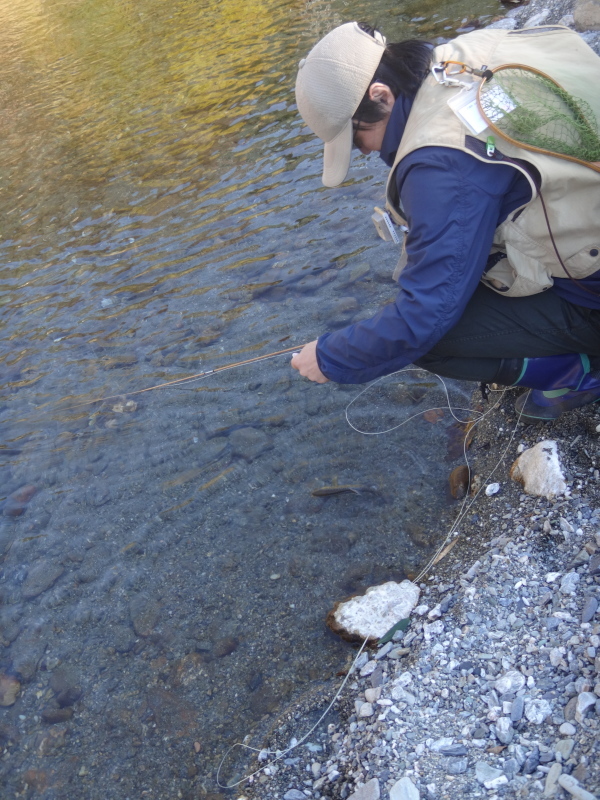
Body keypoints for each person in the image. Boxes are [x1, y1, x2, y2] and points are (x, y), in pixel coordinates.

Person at [290, 21, 600, 421]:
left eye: (355, 139)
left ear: (381, 96)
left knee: (429, 340)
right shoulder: (465, 57)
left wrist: (331, 356)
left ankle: (582, 372)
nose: (363, 153)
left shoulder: (439, 165)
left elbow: (424, 317)